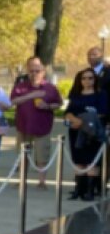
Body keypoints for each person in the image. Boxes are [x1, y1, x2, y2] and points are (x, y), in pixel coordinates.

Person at [10, 57, 63, 190]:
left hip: (43, 127)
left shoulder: (50, 88)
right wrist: (31, 95)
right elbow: (13, 101)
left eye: (37, 71)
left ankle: (42, 181)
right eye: (32, 71)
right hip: (23, 126)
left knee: (42, 155)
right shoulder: (20, 87)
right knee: (22, 154)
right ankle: (22, 180)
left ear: (43, 72)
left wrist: (48, 106)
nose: (34, 74)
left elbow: (59, 104)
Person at [63, 68, 108, 201]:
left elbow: (103, 112)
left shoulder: (101, 94)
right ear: (79, 80)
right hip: (75, 131)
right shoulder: (76, 94)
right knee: (79, 160)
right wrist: (72, 119)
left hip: (92, 132)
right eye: (84, 78)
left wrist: (82, 121)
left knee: (91, 161)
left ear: (95, 80)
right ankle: (78, 189)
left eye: (90, 78)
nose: (87, 81)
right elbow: (68, 111)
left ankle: (90, 190)